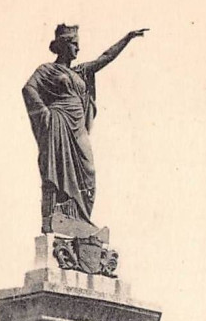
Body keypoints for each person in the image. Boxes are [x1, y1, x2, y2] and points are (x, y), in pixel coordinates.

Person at [22, 24, 148, 232]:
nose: (77, 49)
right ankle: (58, 217)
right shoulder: (47, 70)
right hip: (59, 124)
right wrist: (44, 114)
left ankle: (79, 220)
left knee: (88, 172)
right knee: (57, 172)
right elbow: (28, 89)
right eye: (73, 44)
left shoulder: (80, 71)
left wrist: (127, 38)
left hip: (78, 128)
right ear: (62, 46)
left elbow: (104, 58)